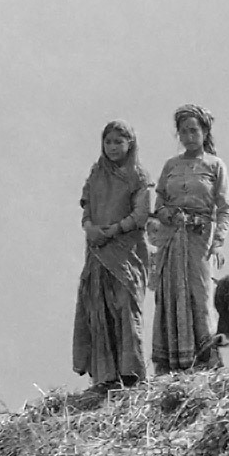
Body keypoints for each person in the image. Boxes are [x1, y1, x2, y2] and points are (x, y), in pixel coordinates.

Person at [150, 104, 229, 372]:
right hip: (172, 238)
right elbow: (159, 199)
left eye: (193, 130)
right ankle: (172, 362)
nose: (188, 136)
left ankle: (206, 361)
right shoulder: (171, 166)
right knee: (170, 294)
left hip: (200, 240)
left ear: (205, 131)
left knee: (199, 294)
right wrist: (166, 214)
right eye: (183, 132)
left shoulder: (215, 166)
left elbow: (224, 209)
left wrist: (218, 242)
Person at [73, 120, 153, 391]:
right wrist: (90, 229)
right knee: (100, 310)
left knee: (126, 309)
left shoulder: (138, 176)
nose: (113, 147)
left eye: (119, 141)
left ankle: (132, 374)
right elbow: (86, 210)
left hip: (127, 254)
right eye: (108, 142)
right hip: (98, 254)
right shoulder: (96, 174)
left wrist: (113, 230)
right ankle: (106, 376)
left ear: (130, 144)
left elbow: (140, 215)